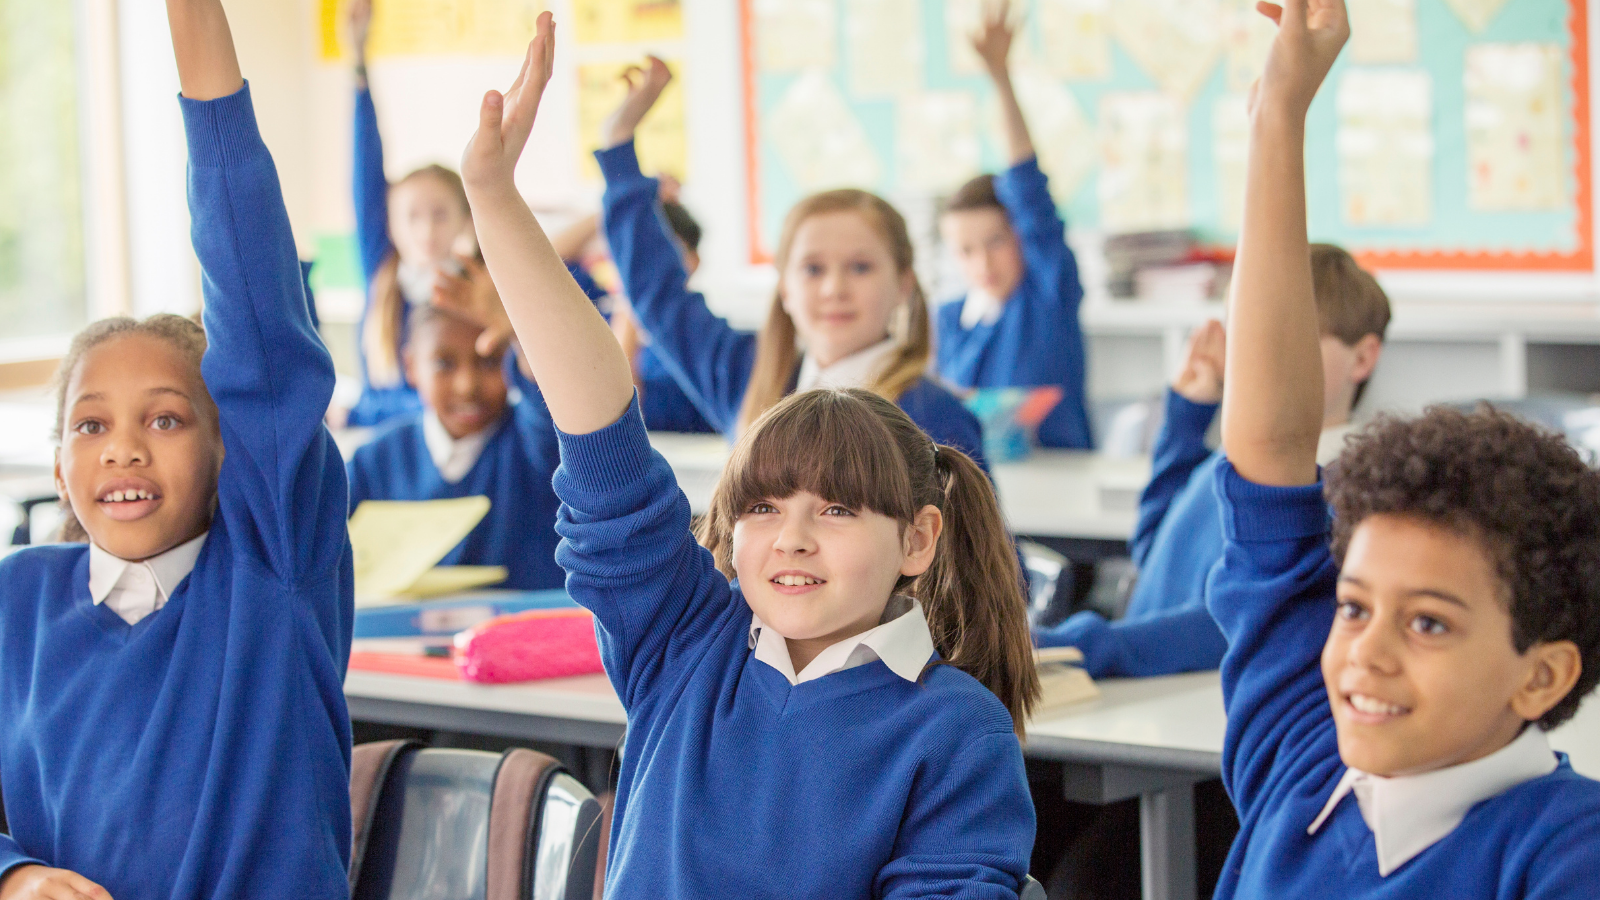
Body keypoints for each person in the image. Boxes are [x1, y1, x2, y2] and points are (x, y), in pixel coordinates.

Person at [459, 16, 1039, 896]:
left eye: (838, 509)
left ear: (920, 539)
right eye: (763, 507)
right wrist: (496, 201)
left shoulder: (957, 729)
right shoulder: (684, 641)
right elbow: (601, 433)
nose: (791, 539)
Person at [1211, 1, 1600, 896]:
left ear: (1541, 675)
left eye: (1428, 623)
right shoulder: (1305, 753)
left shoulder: (1564, 855)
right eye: (1352, 608)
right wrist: (1278, 113)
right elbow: (1269, 446)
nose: (1365, 655)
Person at [0, 2, 354, 897]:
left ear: (235, 448)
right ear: (56, 466)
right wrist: (16, 876)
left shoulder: (274, 569)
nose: (123, 449)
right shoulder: (18, 601)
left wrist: (195, 33)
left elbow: (259, 306)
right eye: (90, 425)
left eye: (164, 419)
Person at [595, 57, 988, 466]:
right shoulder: (751, 378)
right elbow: (659, 297)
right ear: (784, 287)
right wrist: (618, 142)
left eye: (860, 267)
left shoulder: (936, 419)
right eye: (813, 269)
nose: (834, 288)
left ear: (904, 284)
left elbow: (971, 532)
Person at [1037, 244, 1389, 678]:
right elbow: (1153, 554)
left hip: (1189, 699)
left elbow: (1232, 623)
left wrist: (1086, 645)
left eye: (1293, 338)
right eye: (1246, 334)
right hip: (1146, 690)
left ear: (1363, 357)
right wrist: (1185, 420)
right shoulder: (1232, 457)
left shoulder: (1342, 490)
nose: (1259, 357)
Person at [935, 0, 1091, 450]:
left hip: (1060, 492)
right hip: (975, 500)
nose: (982, 261)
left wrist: (1000, 78)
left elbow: (1027, 186)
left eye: (997, 241)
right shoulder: (949, 320)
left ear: (1022, 236)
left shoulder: (1047, 296)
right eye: (965, 250)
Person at [345, 297, 565, 591]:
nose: (467, 385)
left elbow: (548, 401)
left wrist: (520, 335)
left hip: (522, 631)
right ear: (410, 366)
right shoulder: (373, 462)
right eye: (443, 364)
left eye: (488, 361)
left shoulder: (533, 445)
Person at [344, 0, 489, 427]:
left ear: (465, 220)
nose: (426, 230)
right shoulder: (383, 275)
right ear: (391, 224)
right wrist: (358, 65)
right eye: (412, 217)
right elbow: (365, 178)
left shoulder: (476, 287)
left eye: (440, 214)